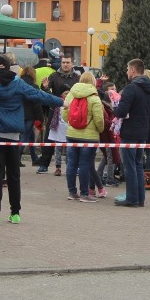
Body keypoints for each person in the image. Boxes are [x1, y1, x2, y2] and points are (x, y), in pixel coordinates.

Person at [0, 56, 62, 224]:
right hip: (14, 135)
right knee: (14, 175)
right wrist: (61, 102)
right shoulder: (18, 82)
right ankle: (15, 213)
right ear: (10, 67)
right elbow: (38, 95)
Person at [114, 59, 150, 207]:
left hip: (129, 132)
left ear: (133, 70)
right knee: (138, 165)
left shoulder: (131, 88)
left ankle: (132, 199)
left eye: (127, 69)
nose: (126, 72)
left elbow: (121, 111)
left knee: (130, 166)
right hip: (143, 132)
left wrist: (114, 106)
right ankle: (140, 198)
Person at [62, 71, 105, 203]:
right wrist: (100, 130)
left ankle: (72, 192)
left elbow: (65, 116)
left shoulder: (71, 95)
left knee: (72, 164)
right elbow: (99, 119)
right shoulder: (94, 97)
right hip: (89, 137)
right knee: (85, 164)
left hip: (71, 134)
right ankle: (84, 194)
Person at [36, 55, 79, 173]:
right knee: (49, 139)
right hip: (55, 111)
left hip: (72, 111)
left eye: (68, 62)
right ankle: (44, 164)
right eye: (63, 62)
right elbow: (46, 92)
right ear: (61, 63)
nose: (65, 64)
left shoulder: (77, 77)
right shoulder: (54, 76)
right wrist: (44, 87)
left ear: (72, 64)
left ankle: (75, 167)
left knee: (73, 138)